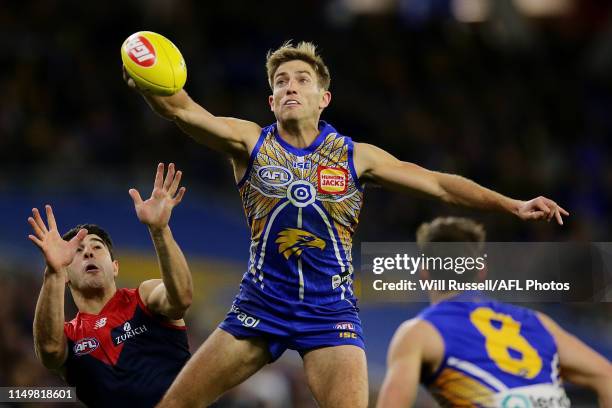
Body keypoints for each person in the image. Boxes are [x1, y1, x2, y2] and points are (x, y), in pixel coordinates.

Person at [124, 41, 568, 408]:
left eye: (302, 80)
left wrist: (511, 204)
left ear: (324, 98)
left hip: (330, 315)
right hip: (259, 308)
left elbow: (438, 184)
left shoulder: (356, 157)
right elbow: (181, 108)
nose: (290, 87)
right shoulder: (248, 141)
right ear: (271, 100)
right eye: (281, 82)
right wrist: (147, 83)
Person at [376, 217, 612, 407]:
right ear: (482, 271)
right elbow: (606, 375)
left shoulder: (419, 333)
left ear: (424, 273)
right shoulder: (539, 323)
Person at [29, 163, 193, 408]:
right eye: (78, 252)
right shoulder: (70, 336)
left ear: (115, 267)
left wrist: (160, 231)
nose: (88, 254)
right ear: (66, 274)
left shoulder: (144, 297)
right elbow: (49, 351)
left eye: (97, 247)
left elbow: (181, 298)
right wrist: (53, 272)